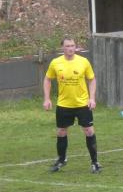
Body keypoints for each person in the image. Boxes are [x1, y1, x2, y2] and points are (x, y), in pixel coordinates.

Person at [43, 37, 101, 173]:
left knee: (89, 130)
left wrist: (92, 98)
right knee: (61, 131)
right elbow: (47, 79)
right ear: (62, 48)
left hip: (82, 103)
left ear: (76, 47)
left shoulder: (83, 62)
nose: (70, 48)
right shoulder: (55, 63)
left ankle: (95, 162)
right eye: (68, 46)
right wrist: (47, 99)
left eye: (73, 46)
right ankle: (61, 160)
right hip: (64, 104)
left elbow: (92, 79)